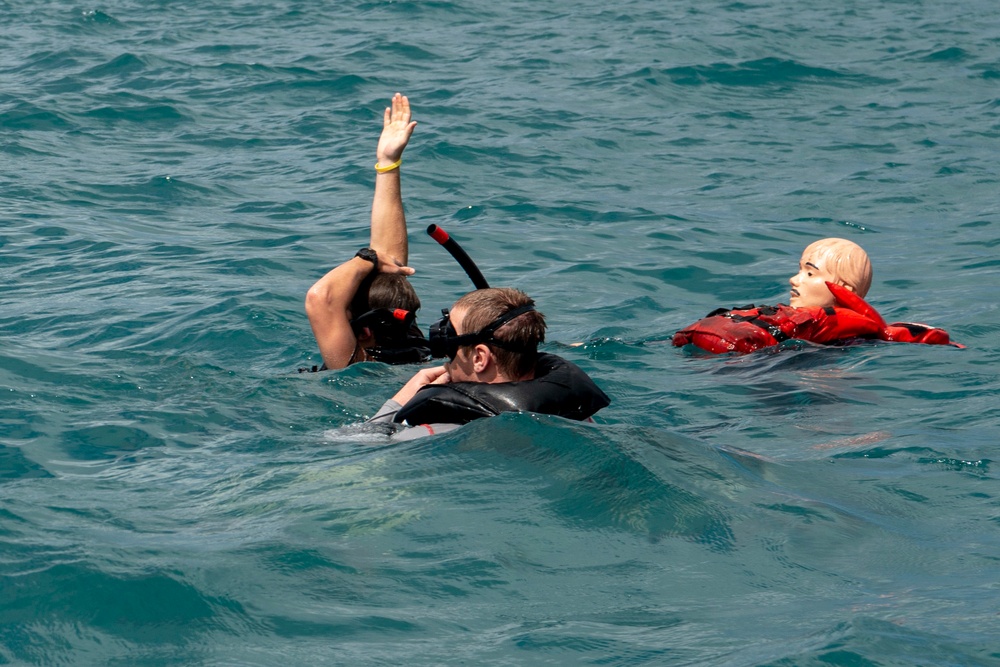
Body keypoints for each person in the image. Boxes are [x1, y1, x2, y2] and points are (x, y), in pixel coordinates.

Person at [367, 288, 611, 440]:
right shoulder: (579, 416)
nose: (444, 351)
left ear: (479, 358)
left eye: (449, 337)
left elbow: (350, 452)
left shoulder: (434, 432)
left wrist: (400, 401)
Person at [304, 93, 428, 371]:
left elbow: (320, 299)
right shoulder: (420, 350)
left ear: (364, 332)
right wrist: (388, 163)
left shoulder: (356, 361)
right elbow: (391, 261)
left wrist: (366, 257)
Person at [673, 237, 958, 354]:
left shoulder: (838, 329)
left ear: (844, 291)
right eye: (799, 270)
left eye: (809, 273)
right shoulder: (842, 334)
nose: (794, 279)